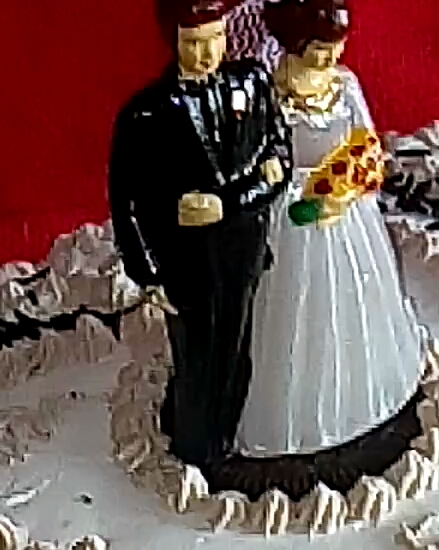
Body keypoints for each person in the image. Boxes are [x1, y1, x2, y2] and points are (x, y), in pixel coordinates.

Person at [234, 0, 423, 458]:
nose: (331, 57)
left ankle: (357, 400)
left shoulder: (345, 86)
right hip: (286, 218)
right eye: (320, 48)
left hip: (344, 214)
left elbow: (368, 144)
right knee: (288, 315)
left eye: (336, 46)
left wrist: (347, 186)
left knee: (351, 307)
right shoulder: (267, 94)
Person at [109, 0, 293, 468]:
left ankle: (227, 440)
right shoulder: (146, 114)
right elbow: (126, 202)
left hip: (245, 251)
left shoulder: (253, 82)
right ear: (172, 41)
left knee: (237, 348)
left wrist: (228, 204)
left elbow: (279, 162)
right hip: (185, 265)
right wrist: (148, 275)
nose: (208, 53)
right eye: (194, 43)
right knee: (196, 356)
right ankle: (195, 450)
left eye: (215, 38)